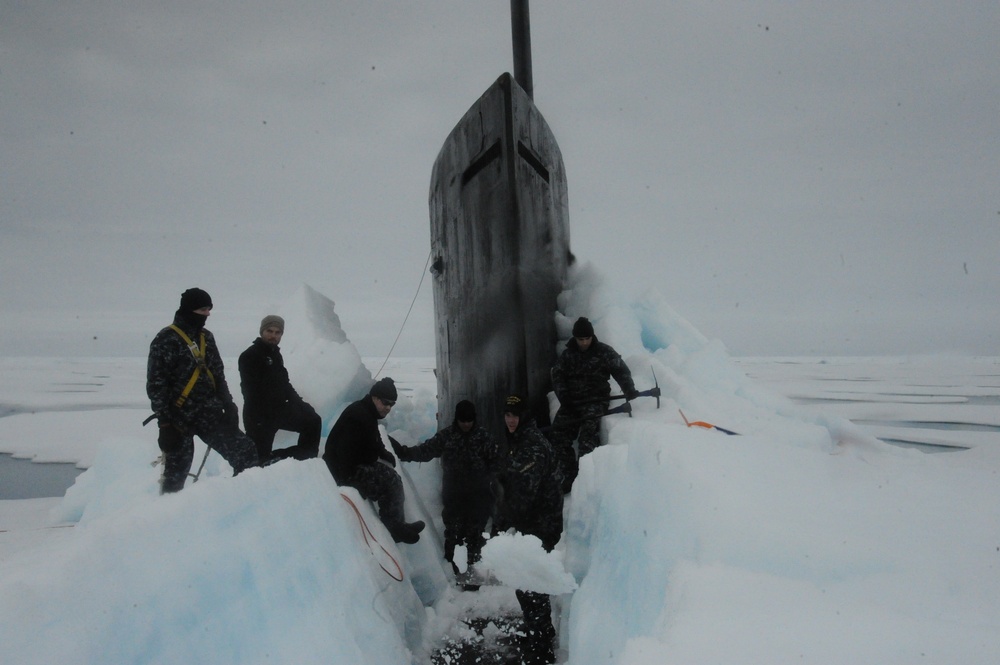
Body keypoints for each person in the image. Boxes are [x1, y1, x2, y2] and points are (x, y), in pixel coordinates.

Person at [146, 288, 259, 493]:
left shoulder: (207, 338)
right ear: (189, 309)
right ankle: (169, 520)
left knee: (245, 453)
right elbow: (156, 384)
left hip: (209, 413)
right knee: (175, 478)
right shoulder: (165, 340)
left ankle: (241, 505)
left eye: (209, 309)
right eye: (203, 309)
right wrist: (165, 424)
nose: (207, 314)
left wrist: (228, 404)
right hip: (177, 419)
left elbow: (217, 375)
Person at [391, 400, 502, 576]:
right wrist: (403, 452)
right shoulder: (447, 436)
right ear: (456, 419)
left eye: (469, 421)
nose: (466, 424)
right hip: (454, 496)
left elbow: (497, 466)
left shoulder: (484, 438)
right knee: (454, 534)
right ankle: (452, 574)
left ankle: (472, 577)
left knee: (475, 537)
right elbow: (425, 451)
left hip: (478, 497)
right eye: (462, 421)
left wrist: (494, 493)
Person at [494, 394, 563, 665]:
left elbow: (523, 494)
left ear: (524, 417)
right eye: (507, 415)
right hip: (533, 520)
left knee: (530, 583)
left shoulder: (532, 446)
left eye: (515, 415)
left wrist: (500, 524)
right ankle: (539, 633)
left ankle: (542, 645)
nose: (510, 420)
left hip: (541, 522)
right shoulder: (521, 440)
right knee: (526, 582)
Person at [322, 377, 425, 544]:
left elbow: (374, 440)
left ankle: (399, 524)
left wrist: (383, 453)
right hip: (343, 470)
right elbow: (345, 452)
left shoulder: (367, 413)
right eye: (385, 402)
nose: (388, 408)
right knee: (389, 481)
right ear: (374, 397)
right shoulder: (359, 416)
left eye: (392, 404)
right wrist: (349, 481)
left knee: (393, 478)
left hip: (352, 465)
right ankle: (394, 528)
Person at [549, 316, 638, 493]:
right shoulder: (568, 356)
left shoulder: (604, 352)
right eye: (580, 339)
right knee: (559, 432)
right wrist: (564, 397)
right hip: (572, 402)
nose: (583, 343)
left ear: (592, 337)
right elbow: (557, 376)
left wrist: (629, 388)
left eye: (587, 339)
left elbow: (620, 369)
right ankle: (568, 474)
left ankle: (585, 478)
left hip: (595, 401)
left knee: (589, 433)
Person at [238, 315, 322, 463]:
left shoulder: (275, 354)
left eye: (278, 332)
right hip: (259, 415)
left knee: (313, 421)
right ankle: (269, 462)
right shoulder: (249, 355)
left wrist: (300, 404)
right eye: (269, 331)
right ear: (262, 331)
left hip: (279, 410)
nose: (273, 336)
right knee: (258, 461)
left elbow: (284, 384)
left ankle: (302, 462)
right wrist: (264, 417)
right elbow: (250, 392)